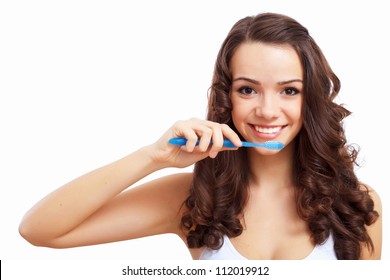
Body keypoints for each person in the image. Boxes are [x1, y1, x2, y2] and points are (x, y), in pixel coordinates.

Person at [19, 12, 382, 260]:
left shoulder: (357, 205)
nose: (268, 111)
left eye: (289, 91)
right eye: (247, 90)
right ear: (227, 97)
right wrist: (153, 157)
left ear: (312, 98)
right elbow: (39, 229)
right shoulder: (195, 198)